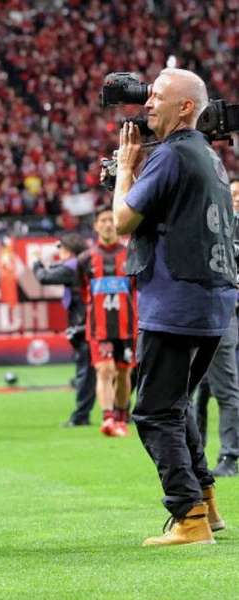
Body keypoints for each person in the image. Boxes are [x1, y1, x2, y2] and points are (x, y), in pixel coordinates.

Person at [113, 68, 234, 545]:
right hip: (211, 302)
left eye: (159, 96)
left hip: (176, 300)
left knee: (155, 413)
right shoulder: (207, 155)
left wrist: (125, 168)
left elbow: (123, 220)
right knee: (178, 405)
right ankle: (208, 502)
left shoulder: (172, 153)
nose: (148, 103)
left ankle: (189, 518)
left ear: (186, 107)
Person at [76, 208, 137, 437]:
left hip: (126, 326)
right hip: (99, 327)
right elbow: (82, 291)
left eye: (111, 220)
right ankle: (108, 418)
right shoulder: (86, 259)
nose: (108, 224)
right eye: (103, 221)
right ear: (96, 226)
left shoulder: (130, 254)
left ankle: (122, 416)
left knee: (123, 374)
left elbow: (136, 288)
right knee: (104, 370)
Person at [194, 177, 239, 478]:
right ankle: (195, 454)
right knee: (201, 390)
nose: (234, 197)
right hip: (203, 311)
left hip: (225, 312)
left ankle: (231, 455)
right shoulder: (213, 222)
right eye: (232, 191)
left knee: (225, 388)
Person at [33, 233, 96, 426]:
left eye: (60, 247)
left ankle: (81, 416)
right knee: (98, 371)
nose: (58, 251)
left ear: (69, 248)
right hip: (89, 322)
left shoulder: (73, 266)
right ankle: (119, 410)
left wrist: (36, 261)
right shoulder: (79, 265)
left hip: (84, 325)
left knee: (86, 372)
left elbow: (44, 277)